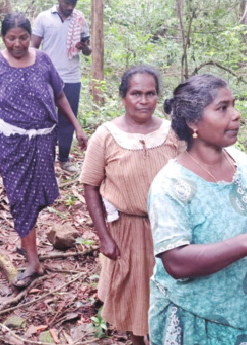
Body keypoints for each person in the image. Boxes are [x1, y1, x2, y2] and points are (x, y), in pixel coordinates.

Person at [147, 74, 247, 345]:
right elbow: (175, 262)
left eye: (234, 105)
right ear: (193, 122)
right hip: (200, 319)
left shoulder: (242, 163)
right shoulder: (170, 185)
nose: (236, 115)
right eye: (222, 108)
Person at [0, 12, 88, 288]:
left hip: (44, 140)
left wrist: (77, 126)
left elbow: (59, 95)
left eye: (23, 37)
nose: (18, 43)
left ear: (30, 36)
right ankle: (33, 261)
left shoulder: (43, 60)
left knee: (37, 196)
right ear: (3, 38)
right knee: (20, 197)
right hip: (11, 142)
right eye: (11, 38)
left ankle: (28, 241)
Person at [80, 66, 185, 345]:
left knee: (170, 291)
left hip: (169, 229)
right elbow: (90, 186)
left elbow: (188, 175)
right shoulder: (106, 135)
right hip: (126, 229)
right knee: (135, 295)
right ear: (123, 97)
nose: (143, 100)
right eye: (135, 93)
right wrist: (104, 237)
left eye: (150, 93)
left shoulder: (172, 133)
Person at [32, 0, 91, 174]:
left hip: (72, 77)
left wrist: (85, 47)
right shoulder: (44, 18)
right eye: (67, 2)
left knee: (68, 120)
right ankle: (44, 159)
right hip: (48, 77)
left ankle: (64, 160)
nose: (70, 6)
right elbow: (33, 48)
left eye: (74, 3)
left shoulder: (80, 20)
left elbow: (88, 51)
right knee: (45, 120)